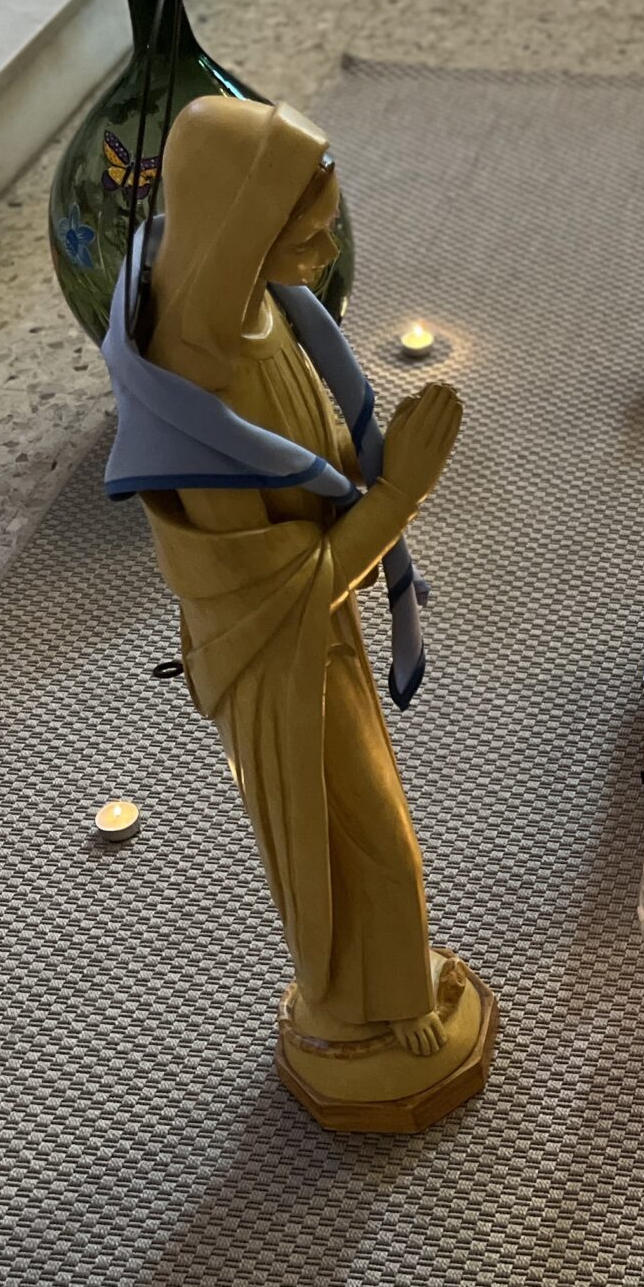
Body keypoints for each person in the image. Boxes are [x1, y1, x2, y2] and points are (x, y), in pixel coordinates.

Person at [100, 94, 495, 1128]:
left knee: (371, 826)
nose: (327, 249)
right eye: (307, 230)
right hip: (279, 661)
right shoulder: (199, 394)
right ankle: (360, 1016)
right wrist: (400, 492)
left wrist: (369, 473)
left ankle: (387, 992)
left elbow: (312, 467)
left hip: (324, 639)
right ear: (241, 224)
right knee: (354, 838)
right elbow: (285, 590)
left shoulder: (262, 311)